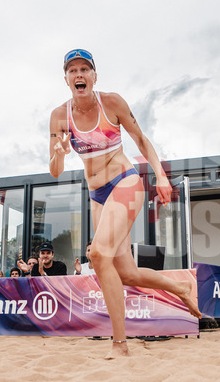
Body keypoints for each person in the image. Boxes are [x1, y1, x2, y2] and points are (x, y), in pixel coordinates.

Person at [48, 48, 201, 356]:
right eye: (73, 70)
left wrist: (160, 175)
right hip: (97, 195)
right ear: (66, 79)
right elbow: (55, 171)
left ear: (94, 76)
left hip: (125, 181)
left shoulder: (112, 103)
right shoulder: (59, 117)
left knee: (99, 255)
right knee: (127, 273)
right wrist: (59, 154)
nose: (79, 74)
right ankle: (181, 288)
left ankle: (120, 344)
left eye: (85, 69)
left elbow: (142, 139)